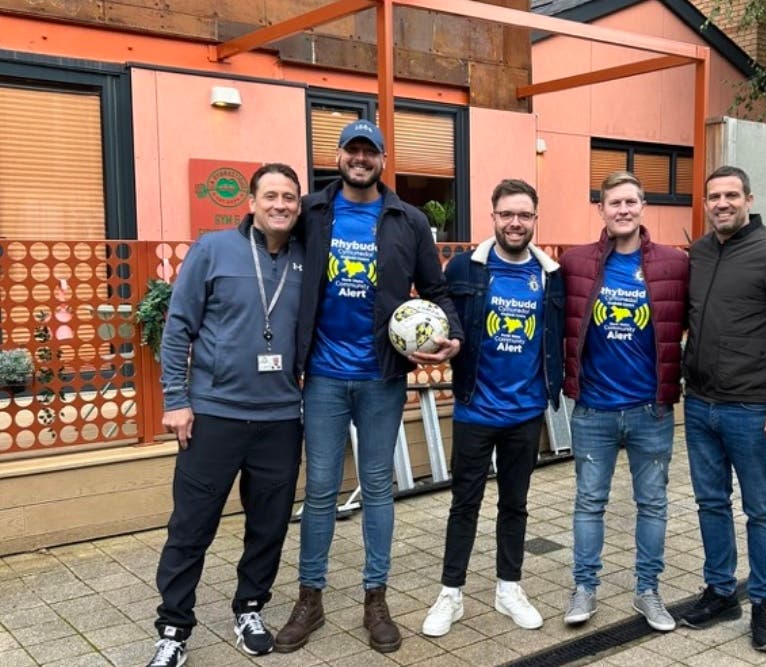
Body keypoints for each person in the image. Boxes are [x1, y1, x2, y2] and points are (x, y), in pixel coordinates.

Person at [275, 119, 463, 654]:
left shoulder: (408, 221)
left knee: (378, 487)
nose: (360, 159)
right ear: (338, 157)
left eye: (370, 152)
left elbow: (438, 290)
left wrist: (454, 338)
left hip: (382, 376)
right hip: (325, 377)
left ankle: (374, 597)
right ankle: (310, 598)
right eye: (352, 150)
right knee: (320, 490)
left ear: (383, 160)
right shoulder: (311, 212)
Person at [147, 163, 305, 667]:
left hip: (281, 418)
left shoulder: (306, 257)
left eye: (290, 198)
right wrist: (176, 400)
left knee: (269, 525)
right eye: (271, 196)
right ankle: (173, 629)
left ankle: (250, 608)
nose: (281, 205)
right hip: (214, 414)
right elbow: (178, 329)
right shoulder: (213, 250)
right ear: (252, 202)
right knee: (192, 526)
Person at [680, 165, 766, 652]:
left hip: (754, 411)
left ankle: (764, 603)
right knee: (710, 503)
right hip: (699, 406)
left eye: (731, 195)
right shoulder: (697, 253)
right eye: (714, 196)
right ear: (706, 202)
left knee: (761, 510)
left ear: (748, 199)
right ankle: (721, 592)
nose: (722, 203)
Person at [421, 179, 565, 637]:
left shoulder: (549, 275)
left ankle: (509, 587)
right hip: (473, 410)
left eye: (524, 215)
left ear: (534, 220)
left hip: (525, 412)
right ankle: (451, 594)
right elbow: (443, 317)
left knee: (515, 505)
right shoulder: (465, 267)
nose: (515, 223)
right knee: (464, 504)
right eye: (507, 214)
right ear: (493, 217)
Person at [559, 170, 688, 632]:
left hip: (650, 410)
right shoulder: (576, 262)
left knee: (652, 503)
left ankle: (648, 590)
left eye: (631, 202)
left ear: (642, 206)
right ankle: (584, 588)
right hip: (593, 409)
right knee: (589, 502)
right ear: (601, 209)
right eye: (614, 203)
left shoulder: (674, 264)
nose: (623, 210)